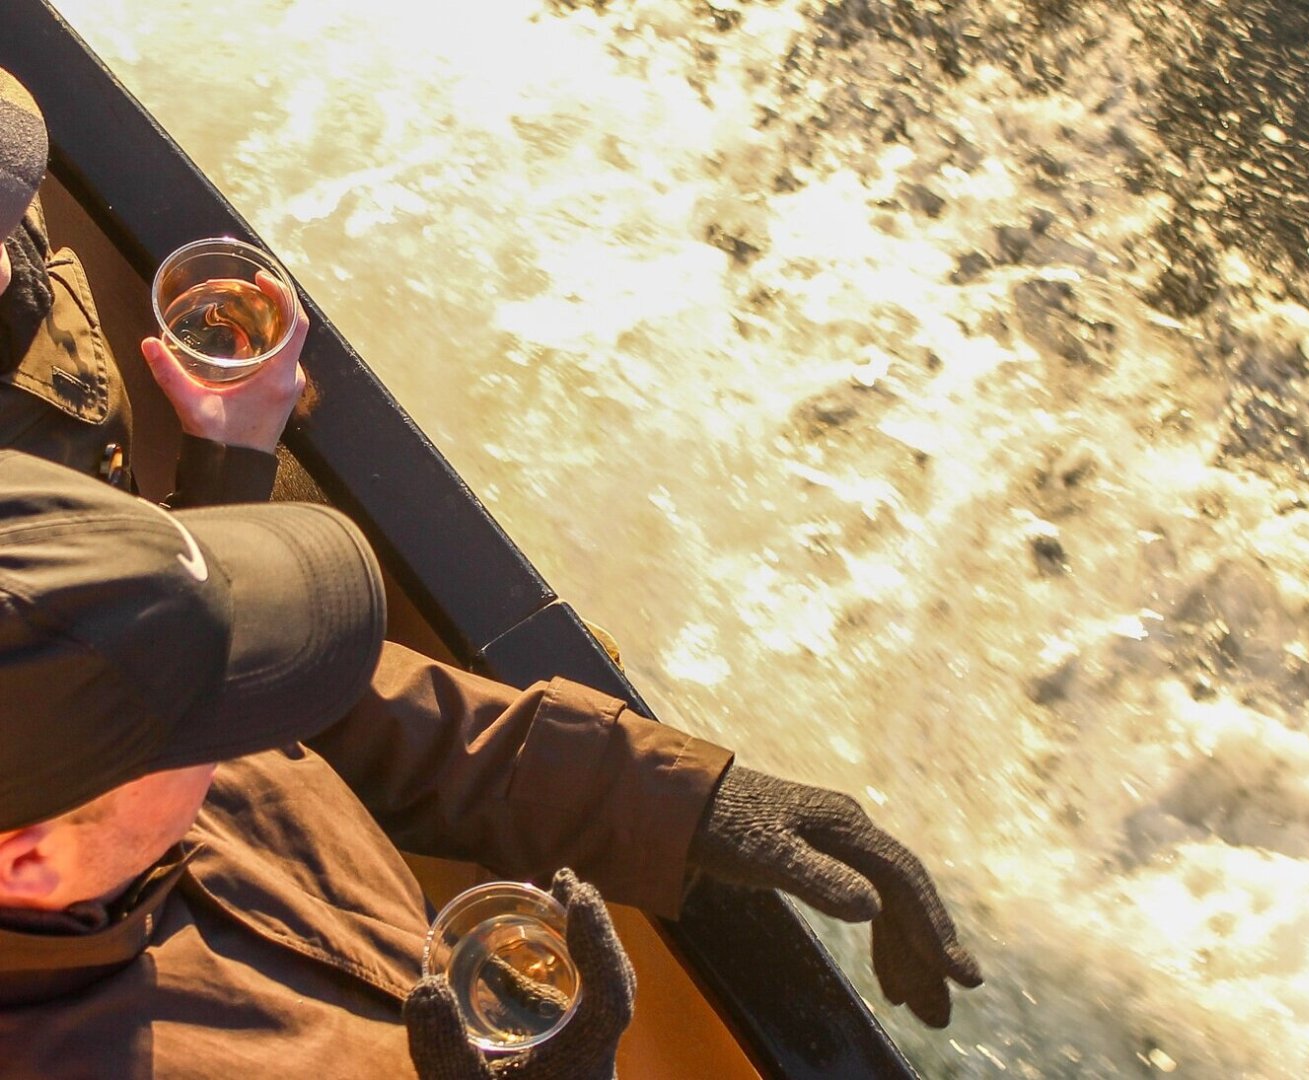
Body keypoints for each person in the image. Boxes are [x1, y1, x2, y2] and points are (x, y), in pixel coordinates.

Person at [0, 64, 982, 1078]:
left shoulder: (98, 745)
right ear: (28, 860)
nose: (243, 723)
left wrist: (689, 806)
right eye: (221, 711)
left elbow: (327, 711)